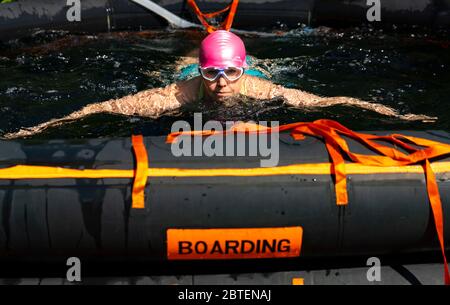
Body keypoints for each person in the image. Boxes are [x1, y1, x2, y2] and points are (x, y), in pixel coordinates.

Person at [3, 30, 435, 139]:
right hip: (182, 72)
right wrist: (39, 129)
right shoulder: (180, 93)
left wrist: (397, 114)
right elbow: (105, 107)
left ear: (242, 71)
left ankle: (226, 49)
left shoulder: (260, 89)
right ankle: (196, 49)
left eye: (230, 72)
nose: (223, 83)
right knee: (181, 62)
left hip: (259, 70)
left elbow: (331, 99)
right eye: (214, 73)